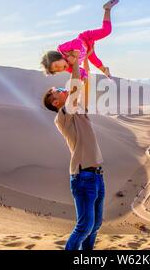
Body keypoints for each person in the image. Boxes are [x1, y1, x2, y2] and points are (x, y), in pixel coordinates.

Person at [42, 51, 105, 250]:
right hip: (83, 176)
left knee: (95, 225)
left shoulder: (77, 109)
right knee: (84, 225)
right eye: (59, 90)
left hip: (96, 176)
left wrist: (85, 59)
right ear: (56, 102)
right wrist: (74, 63)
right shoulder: (63, 116)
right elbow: (76, 87)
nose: (64, 89)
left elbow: (82, 85)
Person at [41, 0, 119, 80]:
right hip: (87, 49)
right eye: (57, 70)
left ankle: (107, 9)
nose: (59, 69)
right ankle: (106, 71)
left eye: (56, 66)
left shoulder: (62, 49)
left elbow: (77, 42)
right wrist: (84, 77)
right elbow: (80, 71)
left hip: (86, 38)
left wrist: (74, 55)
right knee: (94, 61)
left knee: (106, 31)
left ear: (57, 57)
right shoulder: (68, 67)